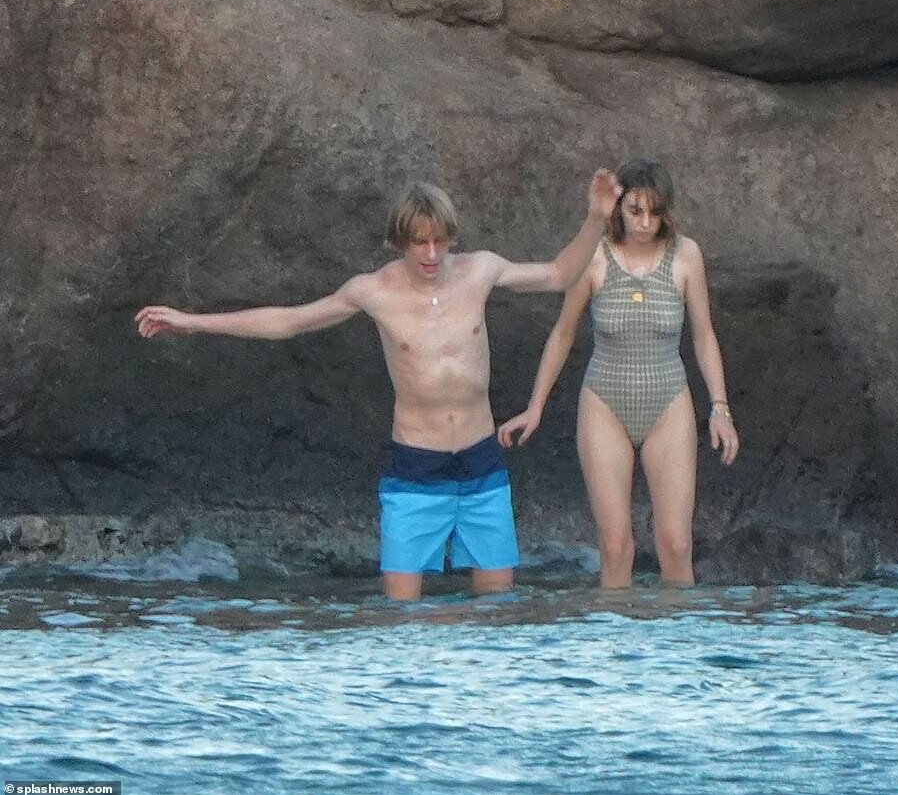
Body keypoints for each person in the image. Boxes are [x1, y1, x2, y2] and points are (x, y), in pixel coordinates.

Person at [136, 173, 621, 601]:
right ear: (398, 242)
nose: (431, 254)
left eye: (439, 241)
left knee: (495, 607)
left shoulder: (480, 270)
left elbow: (560, 273)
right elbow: (289, 321)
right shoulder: (373, 291)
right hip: (416, 465)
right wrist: (193, 323)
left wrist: (596, 217)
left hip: (481, 461)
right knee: (402, 615)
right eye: (419, 243)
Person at [498, 158, 739, 588]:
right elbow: (563, 333)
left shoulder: (686, 255)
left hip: (668, 401)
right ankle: (613, 630)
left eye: (655, 212)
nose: (645, 223)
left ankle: (680, 630)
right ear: (618, 208)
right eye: (635, 211)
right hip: (604, 402)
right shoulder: (594, 255)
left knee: (676, 545)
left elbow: (704, 335)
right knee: (614, 548)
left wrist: (720, 408)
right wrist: (535, 407)